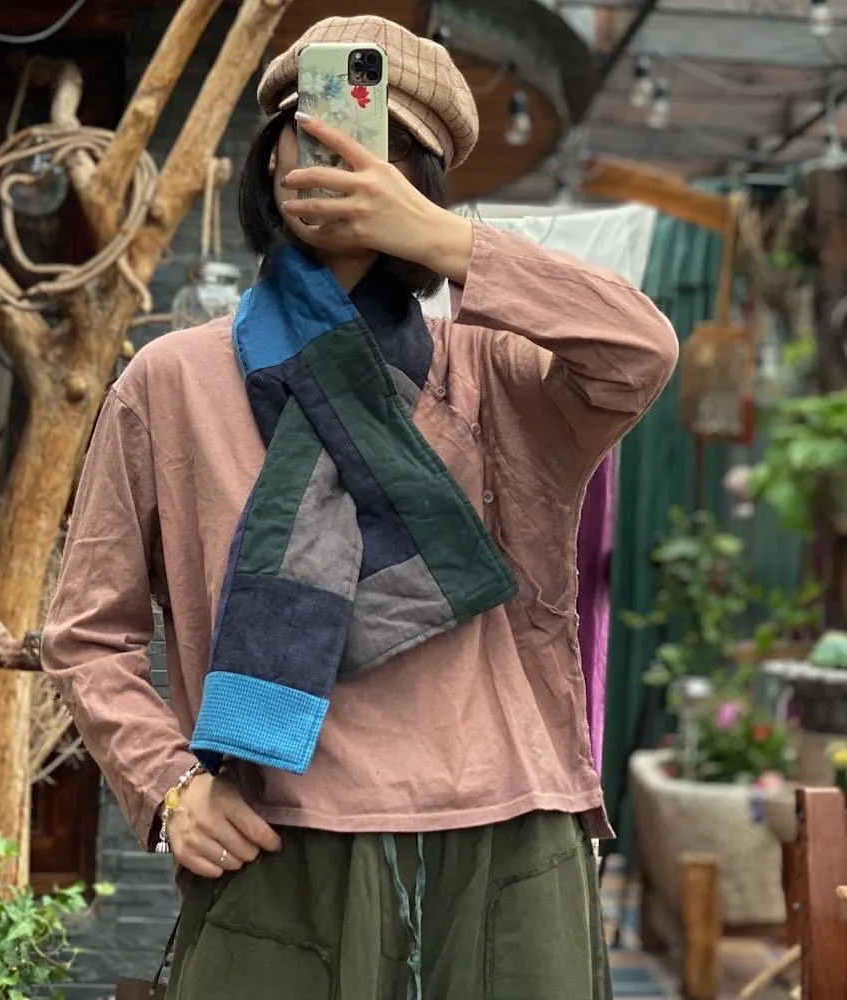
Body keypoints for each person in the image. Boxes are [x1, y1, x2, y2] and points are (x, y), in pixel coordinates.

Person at [42, 15, 678, 1000]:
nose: (340, 153)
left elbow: (641, 352)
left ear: (418, 179)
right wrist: (169, 785)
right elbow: (87, 633)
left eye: (382, 140)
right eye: (311, 128)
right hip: (278, 847)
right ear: (268, 157)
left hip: (507, 847)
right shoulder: (172, 383)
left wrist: (444, 242)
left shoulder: (497, 372)